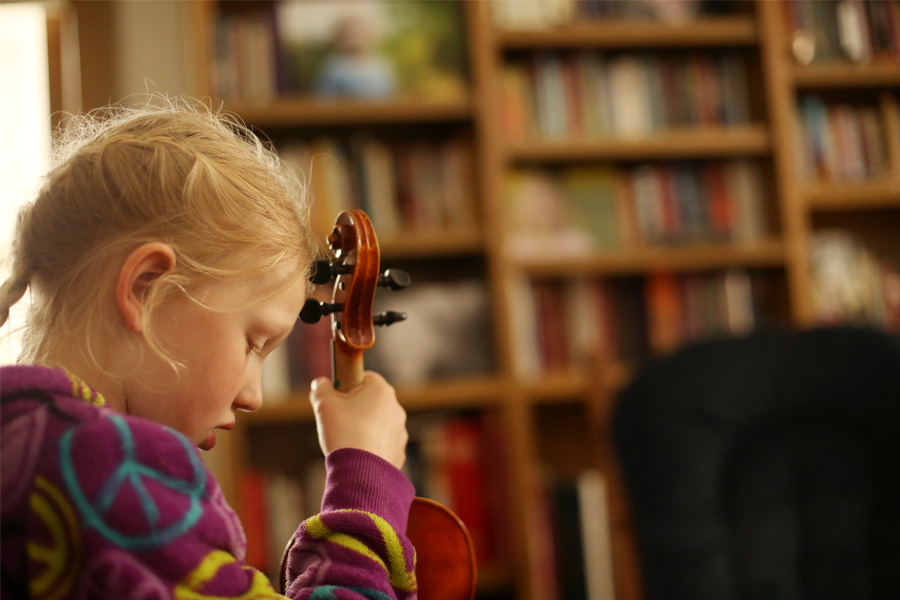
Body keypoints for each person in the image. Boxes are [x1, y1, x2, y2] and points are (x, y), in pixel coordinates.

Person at [0, 97, 416, 599]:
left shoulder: (22, 446)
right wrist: (364, 483)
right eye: (253, 343)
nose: (253, 396)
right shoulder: (103, 470)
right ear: (146, 289)